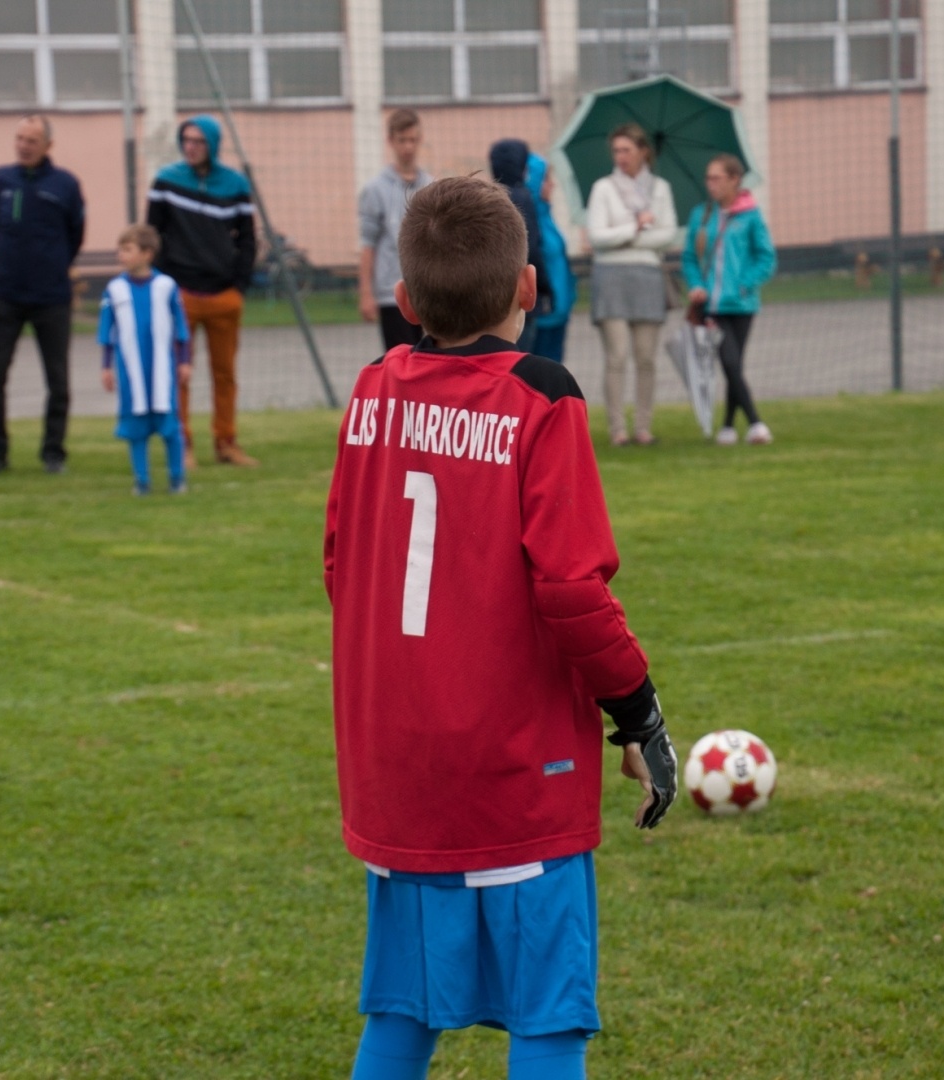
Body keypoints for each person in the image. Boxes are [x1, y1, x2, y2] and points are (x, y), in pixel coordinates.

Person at [323, 176, 678, 1080]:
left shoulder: (370, 388)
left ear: (404, 302)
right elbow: (571, 588)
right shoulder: (541, 396)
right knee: (546, 1021)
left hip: (395, 766)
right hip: (514, 771)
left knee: (401, 1015)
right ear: (529, 287)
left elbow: (338, 565)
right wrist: (638, 715)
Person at [0, 115, 86, 476]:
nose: (24, 146)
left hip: (51, 297)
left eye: (32, 141)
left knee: (57, 379)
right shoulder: (1, 179)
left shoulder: (66, 184)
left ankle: (53, 452)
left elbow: (75, 234)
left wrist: (51, 264)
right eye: (20, 139)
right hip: (6, 293)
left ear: (48, 146)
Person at [147, 115, 260, 467]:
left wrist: (238, 287)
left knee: (225, 375)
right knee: (179, 372)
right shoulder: (166, 181)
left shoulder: (236, 185)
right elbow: (153, 236)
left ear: (212, 144)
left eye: (198, 141)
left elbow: (248, 240)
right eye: (186, 140)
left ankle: (226, 443)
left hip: (224, 296)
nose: (191, 147)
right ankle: (182, 445)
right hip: (180, 295)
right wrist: (163, 284)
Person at [585, 124, 677, 446]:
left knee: (646, 357)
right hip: (611, 277)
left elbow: (667, 235)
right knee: (617, 356)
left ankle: (643, 427)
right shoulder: (603, 188)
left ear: (643, 152)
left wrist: (626, 237)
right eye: (616, 150)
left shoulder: (660, 189)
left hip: (648, 276)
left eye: (626, 150)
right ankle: (617, 429)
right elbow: (598, 236)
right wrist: (633, 228)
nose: (620, 156)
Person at [682, 154, 777, 445]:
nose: (711, 184)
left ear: (734, 179)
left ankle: (727, 427)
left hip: (742, 305)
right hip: (712, 307)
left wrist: (744, 285)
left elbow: (766, 257)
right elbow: (690, 258)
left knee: (734, 366)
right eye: (708, 178)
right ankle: (756, 424)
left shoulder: (751, 216)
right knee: (730, 363)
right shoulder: (701, 215)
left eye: (717, 178)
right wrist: (697, 285)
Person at [98, 224, 191, 496]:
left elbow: (181, 327)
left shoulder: (166, 286)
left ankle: (177, 478)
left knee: (170, 426)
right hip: (131, 373)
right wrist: (106, 366)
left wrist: (184, 360)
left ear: (147, 253)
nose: (121, 255)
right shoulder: (114, 290)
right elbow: (107, 332)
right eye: (120, 249)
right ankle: (142, 480)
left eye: (128, 249)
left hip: (163, 372)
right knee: (136, 428)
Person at [358, 108, 433, 352]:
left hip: (427, 291)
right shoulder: (375, 190)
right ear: (391, 141)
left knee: (429, 360)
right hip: (392, 293)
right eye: (402, 140)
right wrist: (366, 293)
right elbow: (368, 244)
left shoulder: (430, 186)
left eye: (412, 140)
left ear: (420, 140)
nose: (408, 147)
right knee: (401, 360)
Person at [488, 139, 555, 353]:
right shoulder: (523, 197)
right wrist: (545, 287)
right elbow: (531, 249)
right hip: (519, 290)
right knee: (519, 355)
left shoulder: (490, 196)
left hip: (494, 290)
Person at [525, 153, 577, 364]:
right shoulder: (529, 220)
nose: (552, 185)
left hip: (559, 311)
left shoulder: (547, 216)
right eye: (546, 179)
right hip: (542, 314)